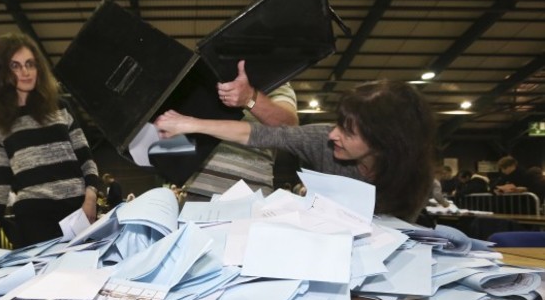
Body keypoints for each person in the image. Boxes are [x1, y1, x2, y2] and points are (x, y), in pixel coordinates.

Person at [156, 80, 436, 222]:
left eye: (348, 132)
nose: (333, 134)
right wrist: (189, 123)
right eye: (338, 123)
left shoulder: (414, 178)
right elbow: (257, 133)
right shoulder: (321, 139)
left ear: (385, 142)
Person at [0, 32, 101, 248]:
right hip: (35, 221)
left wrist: (91, 199)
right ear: (0, 72)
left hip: (79, 214)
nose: (26, 72)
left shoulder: (61, 108)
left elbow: (87, 160)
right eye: (15, 66)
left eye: (30, 64)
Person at [182, 59, 298, 199]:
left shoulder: (277, 81)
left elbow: (290, 130)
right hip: (198, 191)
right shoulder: (207, 74)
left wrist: (250, 98)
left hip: (252, 194)